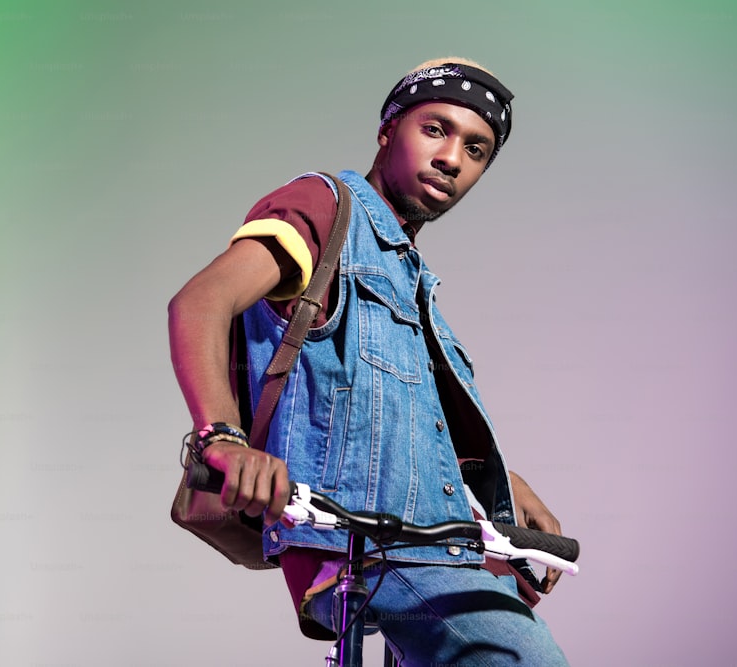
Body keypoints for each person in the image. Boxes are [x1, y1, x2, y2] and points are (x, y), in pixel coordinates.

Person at [168, 57, 570, 665]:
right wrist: (222, 438)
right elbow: (201, 301)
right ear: (388, 131)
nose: (452, 159)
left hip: (434, 546)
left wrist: (501, 485)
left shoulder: (414, 283)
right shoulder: (327, 208)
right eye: (435, 129)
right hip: (370, 550)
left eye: (477, 149)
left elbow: (390, 419)